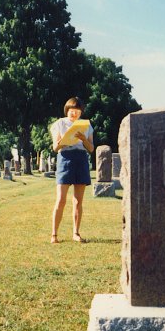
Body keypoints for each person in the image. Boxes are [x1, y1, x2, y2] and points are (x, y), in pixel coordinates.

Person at [50, 97, 94, 243]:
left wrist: (83, 139)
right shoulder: (59, 123)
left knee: (78, 201)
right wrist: (63, 141)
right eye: (71, 111)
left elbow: (91, 148)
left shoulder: (86, 125)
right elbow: (55, 148)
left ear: (81, 113)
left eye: (77, 112)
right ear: (67, 111)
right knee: (61, 199)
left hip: (81, 159)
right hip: (65, 158)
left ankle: (76, 233)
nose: (74, 114)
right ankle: (54, 235)